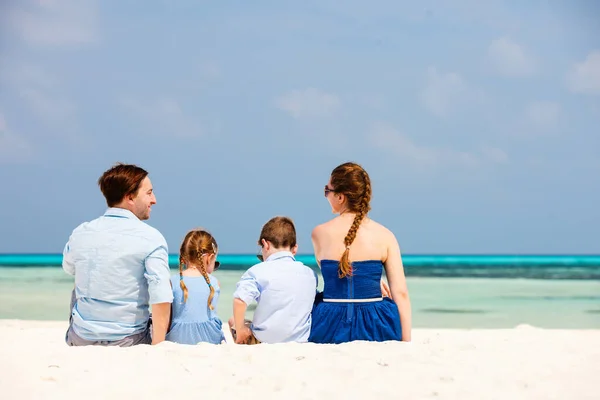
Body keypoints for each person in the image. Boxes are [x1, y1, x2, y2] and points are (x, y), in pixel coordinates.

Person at [62, 163, 173, 346]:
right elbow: (161, 294)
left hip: (81, 337)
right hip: (128, 340)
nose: (154, 200)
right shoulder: (151, 237)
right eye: (149, 193)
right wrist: (158, 346)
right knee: (165, 283)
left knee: (80, 279)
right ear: (130, 197)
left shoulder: (81, 232)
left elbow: (69, 268)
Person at [308, 162, 412, 343]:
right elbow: (400, 292)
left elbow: (335, 273)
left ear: (340, 197)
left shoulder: (319, 233)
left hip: (330, 323)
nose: (326, 196)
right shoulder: (385, 235)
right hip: (375, 323)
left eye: (327, 191)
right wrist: (406, 341)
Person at [229, 216, 317, 344]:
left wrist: (241, 329)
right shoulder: (310, 274)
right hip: (300, 340)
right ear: (295, 248)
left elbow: (239, 301)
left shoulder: (257, 271)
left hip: (263, 340)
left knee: (233, 321)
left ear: (265, 244)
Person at [166, 229, 225, 345]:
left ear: (183, 256)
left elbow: (168, 319)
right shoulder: (214, 283)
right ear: (210, 258)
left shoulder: (172, 282)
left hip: (177, 339)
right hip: (210, 340)